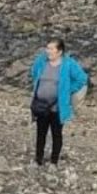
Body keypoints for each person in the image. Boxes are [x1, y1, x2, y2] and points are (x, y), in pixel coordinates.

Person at [30, 38, 88, 166]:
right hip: (41, 105)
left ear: (59, 51)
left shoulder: (68, 64)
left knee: (56, 134)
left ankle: (54, 161)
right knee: (40, 133)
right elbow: (34, 73)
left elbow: (82, 79)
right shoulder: (41, 61)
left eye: (51, 49)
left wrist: (68, 90)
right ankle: (38, 160)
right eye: (47, 48)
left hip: (58, 107)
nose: (48, 51)